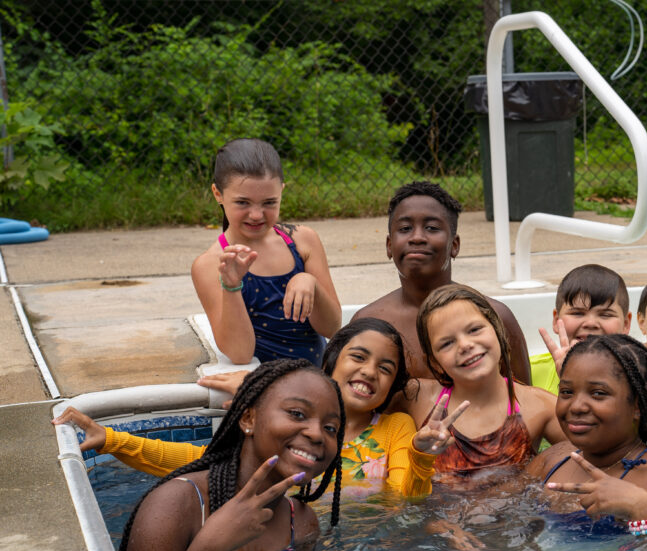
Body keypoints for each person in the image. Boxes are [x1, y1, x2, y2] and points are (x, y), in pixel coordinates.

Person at [55, 319, 440, 498]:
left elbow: (403, 500)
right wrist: (113, 441)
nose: (370, 371)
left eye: (385, 368)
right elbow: (202, 461)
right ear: (332, 362)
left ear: (392, 385)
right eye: (358, 357)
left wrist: (421, 457)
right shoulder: (290, 427)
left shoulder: (395, 428)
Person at [117, 359, 343, 551]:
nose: (316, 434)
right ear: (248, 419)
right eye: (297, 414)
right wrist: (211, 546)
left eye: (331, 428)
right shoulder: (177, 504)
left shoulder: (300, 522)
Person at [351, 181, 530, 383]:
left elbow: (523, 401)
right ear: (389, 246)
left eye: (431, 228)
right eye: (405, 228)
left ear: (454, 245)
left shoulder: (494, 317)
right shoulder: (367, 322)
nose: (417, 237)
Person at [528, 334, 647, 533]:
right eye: (567, 392)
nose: (576, 406)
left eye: (598, 393)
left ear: (637, 406)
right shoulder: (552, 459)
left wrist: (643, 510)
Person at [191, 138, 341, 365]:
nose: (256, 215)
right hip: (263, 388)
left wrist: (310, 282)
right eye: (243, 203)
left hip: (319, 381)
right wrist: (231, 287)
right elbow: (240, 354)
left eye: (269, 203)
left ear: (281, 191)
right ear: (218, 194)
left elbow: (332, 328)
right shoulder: (210, 264)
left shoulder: (303, 241)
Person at [406, 283, 565, 479]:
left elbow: (602, 450)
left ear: (498, 331)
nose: (465, 345)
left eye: (474, 330)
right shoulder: (417, 398)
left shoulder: (538, 407)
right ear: (435, 363)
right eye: (447, 343)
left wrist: (576, 382)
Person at [531, 264, 647, 435]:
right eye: (577, 313)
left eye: (605, 314)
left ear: (626, 323)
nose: (591, 323)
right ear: (556, 320)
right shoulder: (531, 372)